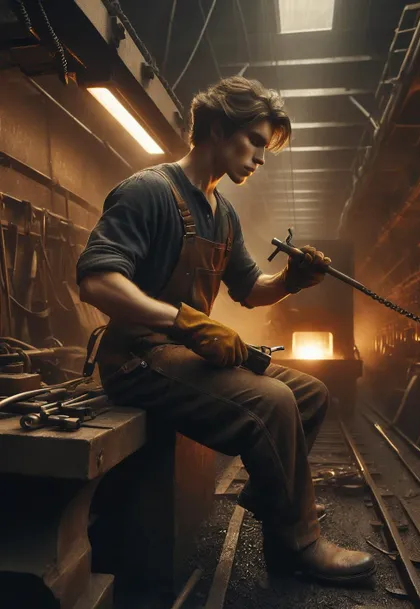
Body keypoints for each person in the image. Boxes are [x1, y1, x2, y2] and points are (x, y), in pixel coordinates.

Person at [77, 76, 375, 585]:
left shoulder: (221, 211)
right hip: (137, 358)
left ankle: (271, 501)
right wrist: (182, 320)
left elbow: (249, 288)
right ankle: (301, 542)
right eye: (255, 141)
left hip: (178, 353)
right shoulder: (148, 191)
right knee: (273, 402)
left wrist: (290, 281)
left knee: (309, 393)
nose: (261, 157)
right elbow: (96, 280)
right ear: (216, 128)